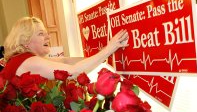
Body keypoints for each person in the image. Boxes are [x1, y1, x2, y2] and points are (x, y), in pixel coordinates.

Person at [1, 16, 129, 80]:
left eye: (46, 33)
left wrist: (101, 58)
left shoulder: (22, 59)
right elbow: (72, 72)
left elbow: (65, 61)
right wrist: (110, 48)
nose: (47, 37)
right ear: (25, 41)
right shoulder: (29, 61)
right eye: (41, 34)